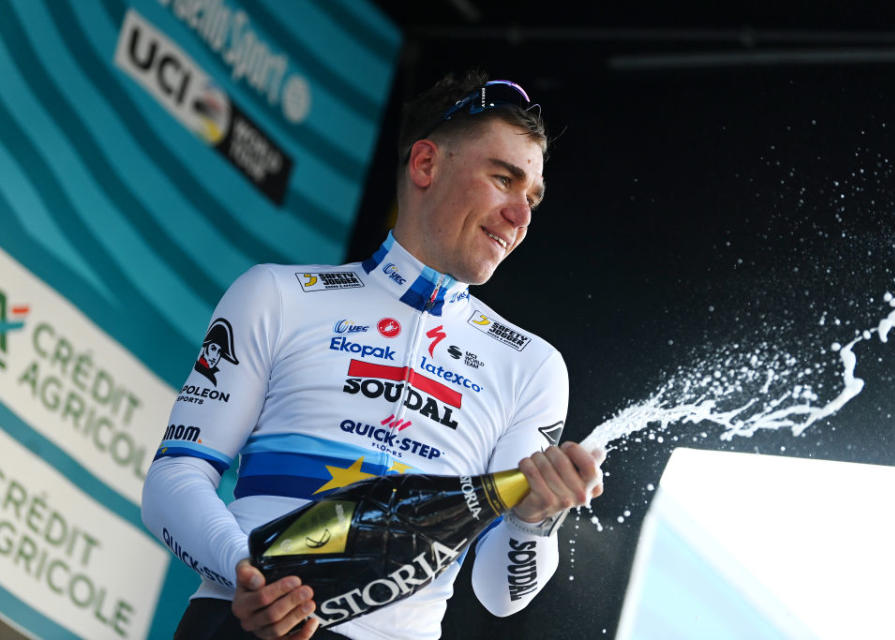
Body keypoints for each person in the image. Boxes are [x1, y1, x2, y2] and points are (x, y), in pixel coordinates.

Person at [141, 70, 604, 640]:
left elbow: (500, 595)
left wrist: (537, 521)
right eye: (503, 179)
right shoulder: (277, 295)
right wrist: (248, 574)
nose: (521, 215)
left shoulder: (530, 366)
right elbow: (174, 478)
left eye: (532, 197)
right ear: (426, 165)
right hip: (241, 620)